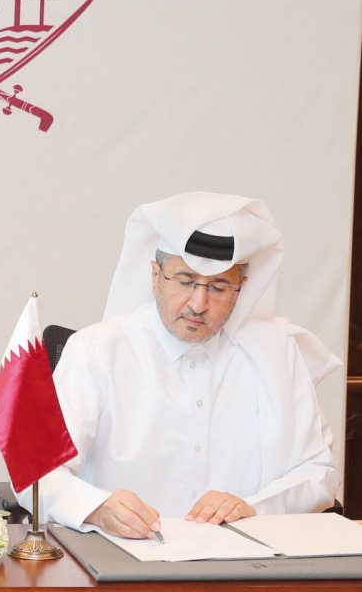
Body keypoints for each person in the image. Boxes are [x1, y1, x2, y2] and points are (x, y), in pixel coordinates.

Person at [28, 192, 340, 539]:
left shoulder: (276, 355)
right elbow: (38, 473)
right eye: (186, 281)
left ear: (242, 289)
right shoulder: (96, 351)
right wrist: (99, 509)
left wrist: (256, 506)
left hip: (245, 566)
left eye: (219, 287)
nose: (199, 303)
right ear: (155, 275)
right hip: (120, 563)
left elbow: (318, 472)